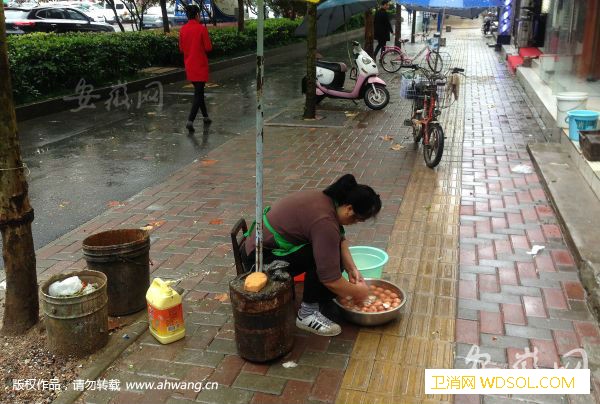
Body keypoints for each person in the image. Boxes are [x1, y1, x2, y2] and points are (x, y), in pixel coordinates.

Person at [243, 174, 381, 337]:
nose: (355, 223)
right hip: (260, 260)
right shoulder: (324, 220)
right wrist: (360, 293)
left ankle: (317, 300)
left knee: (330, 253)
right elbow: (330, 280)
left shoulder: (328, 201)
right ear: (349, 208)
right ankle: (307, 314)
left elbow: (339, 240)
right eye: (357, 220)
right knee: (327, 260)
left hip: (260, 246)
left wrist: (352, 268)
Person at [179, 5, 212, 133]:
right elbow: (208, 47)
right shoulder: (201, 29)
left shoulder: (183, 29)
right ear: (197, 14)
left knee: (199, 92)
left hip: (189, 65)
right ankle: (190, 121)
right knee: (198, 94)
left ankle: (206, 117)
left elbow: (181, 49)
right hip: (200, 65)